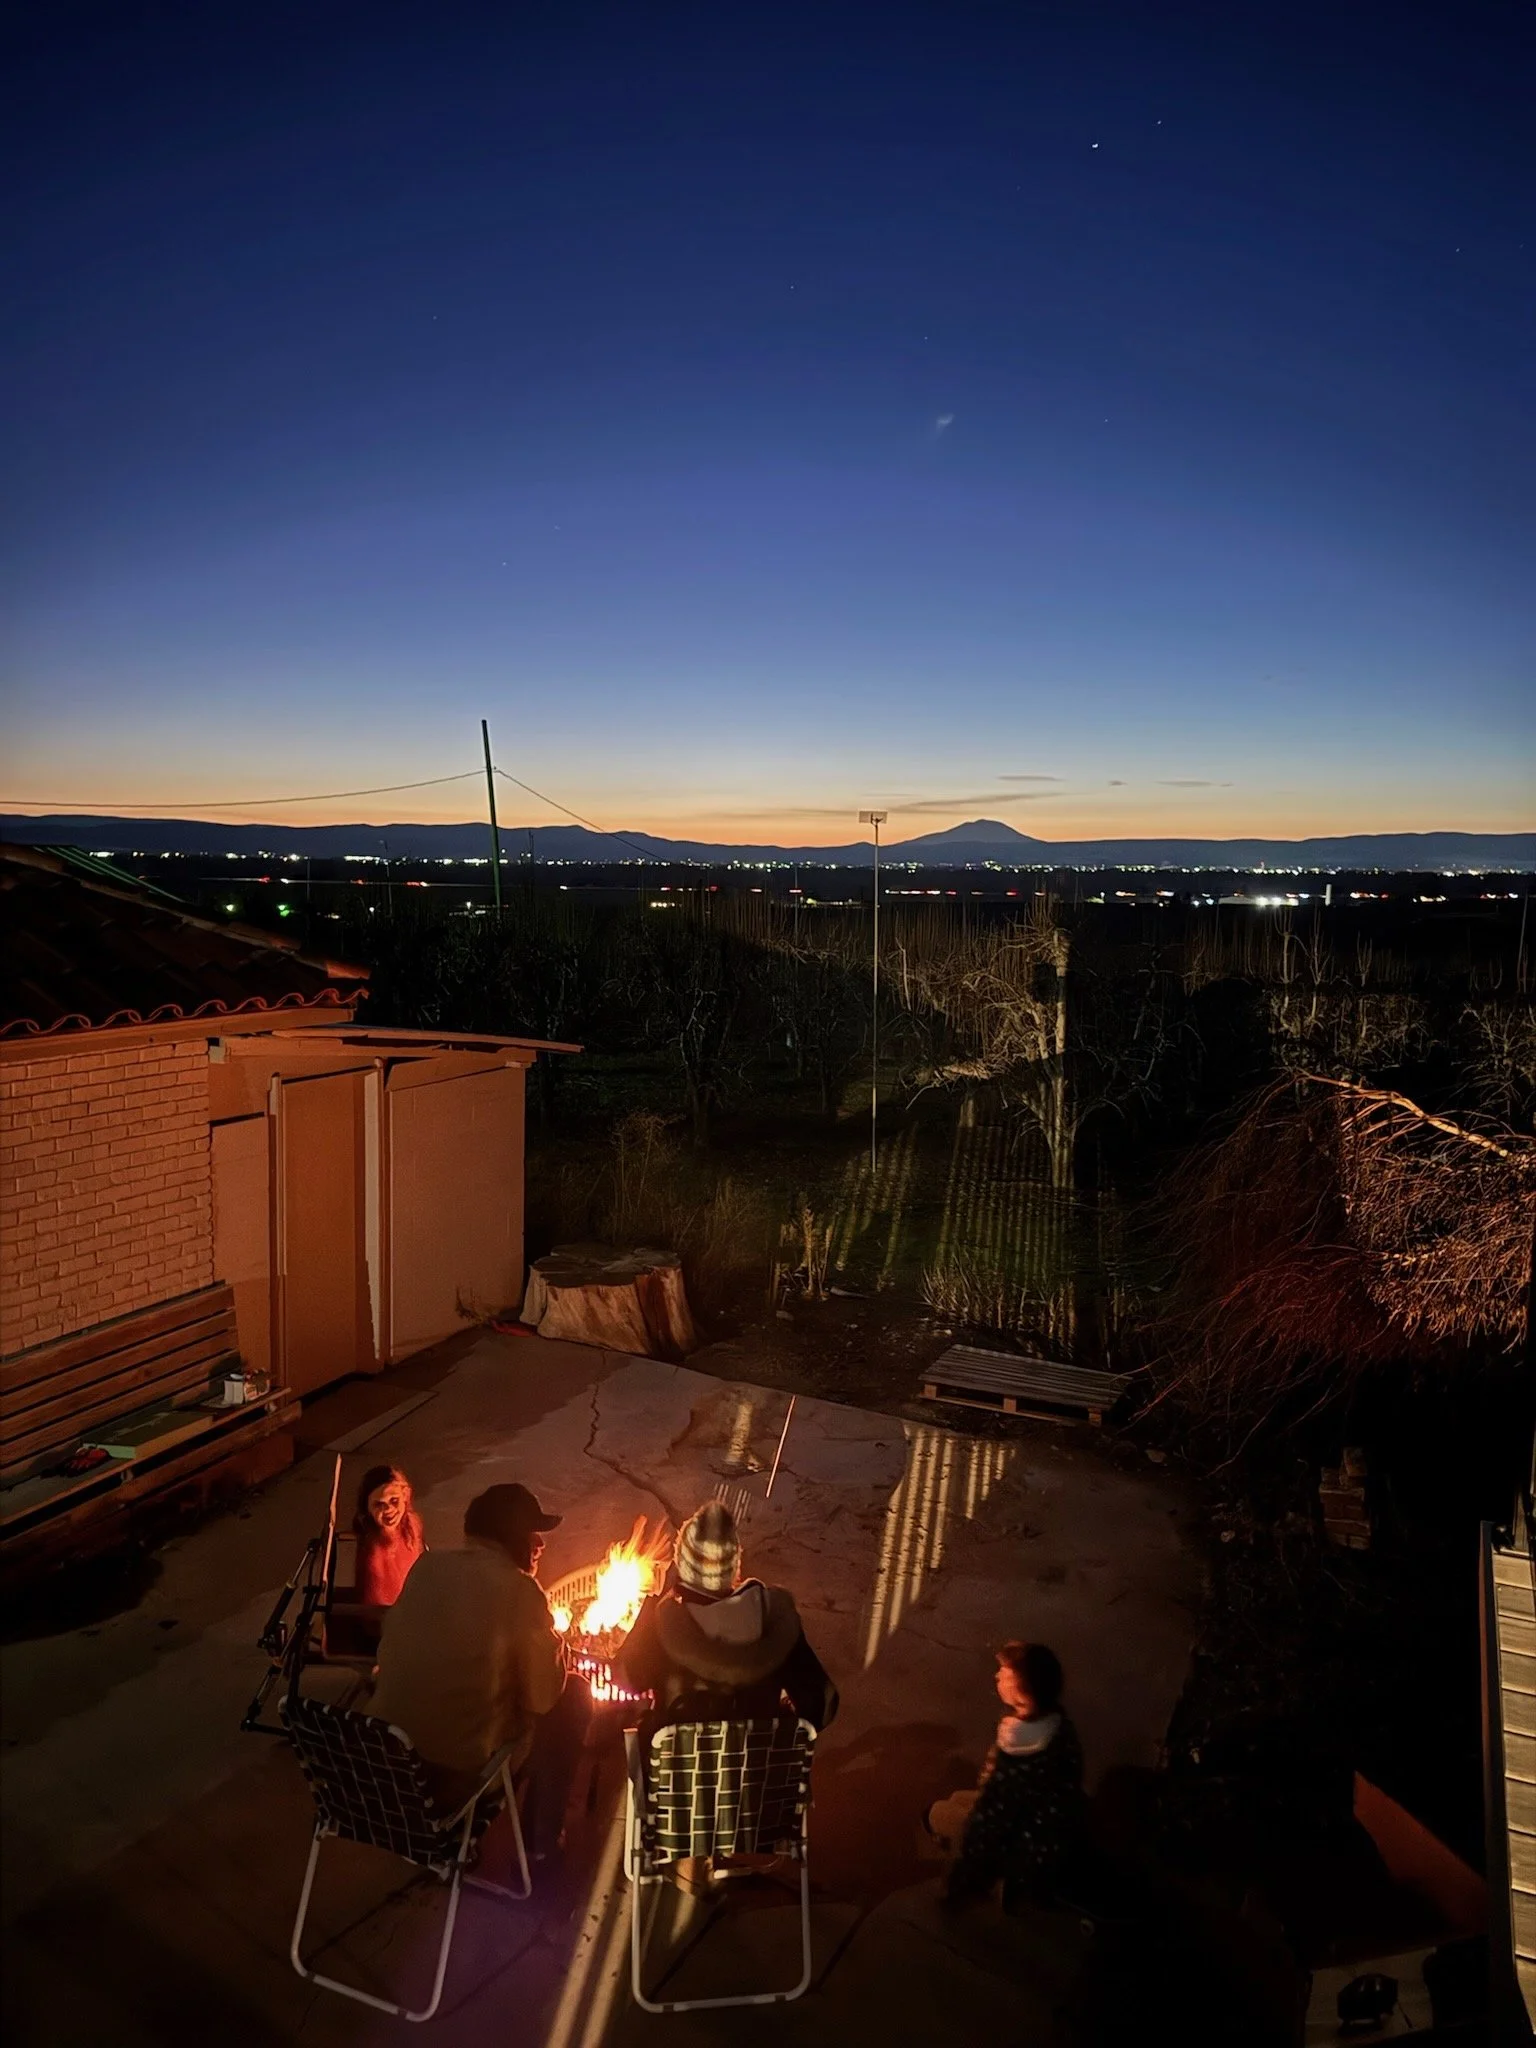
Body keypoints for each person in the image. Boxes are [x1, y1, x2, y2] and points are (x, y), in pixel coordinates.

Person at [368, 1482, 592, 1854]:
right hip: (447, 1782)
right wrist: (558, 1652)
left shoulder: (426, 1568)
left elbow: (389, 1650)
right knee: (576, 1697)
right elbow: (543, 1698)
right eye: (534, 1534)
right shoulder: (520, 1591)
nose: (541, 1545)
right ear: (514, 1538)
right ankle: (541, 1842)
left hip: (380, 1761)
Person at [613, 1499, 837, 1730]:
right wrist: (780, 1720)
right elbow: (824, 1702)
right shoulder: (773, 1622)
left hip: (681, 1763)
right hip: (756, 1762)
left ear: (681, 1564)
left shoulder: (662, 1625)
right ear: (734, 1565)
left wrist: (651, 1610)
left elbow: (624, 1679)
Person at [929, 1640, 1085, 1908]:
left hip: (1029, 1845)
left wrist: (953, 1885)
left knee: (939, 1814)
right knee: (957, 1798)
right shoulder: (1057, 1725)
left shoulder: (1016, 1753)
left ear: (1022, 1691)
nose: (997, 1676)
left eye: (1005, 1674)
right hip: (1049, 1826)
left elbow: (984, 1825)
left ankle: (1007, 1882)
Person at [351, 1463, 425, 1607]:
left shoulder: (412, 1526)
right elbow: (374, 1602)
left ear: (405, 1496)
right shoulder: (371, 1546)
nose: (388, 1510)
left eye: (394, 1501)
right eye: (378, 1505)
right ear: (367, 1509)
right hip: (383, 1618)